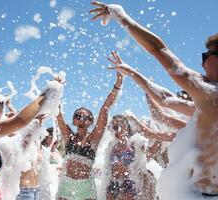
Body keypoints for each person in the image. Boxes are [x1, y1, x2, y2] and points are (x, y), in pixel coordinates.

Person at [91, 3, 218, 195]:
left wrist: (121, 16)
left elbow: (159, 49)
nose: (201, 62)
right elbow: (166, 100)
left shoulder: (210, 93)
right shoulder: (207, 104)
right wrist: (132, 72)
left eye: (206, 55)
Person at [0, 86, 56, 200]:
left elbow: (17, 149)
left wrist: (34, 126)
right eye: (1, 104)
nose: (3, 109)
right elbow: (20, 121)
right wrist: (45, 95)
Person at [56, 68, 123, 200]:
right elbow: (57, 113)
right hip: (66, 186)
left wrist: (118, 84)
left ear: (91, 121)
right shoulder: (68, 136)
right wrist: (56, 88)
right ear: (74, 120)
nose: (82, 119)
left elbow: (105, 109)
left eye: (86, 117)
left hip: (86, 187)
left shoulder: (93, 139)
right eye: (78, 116)